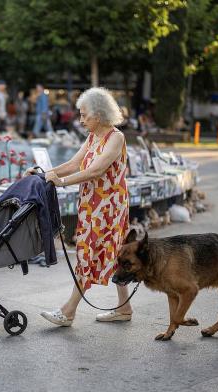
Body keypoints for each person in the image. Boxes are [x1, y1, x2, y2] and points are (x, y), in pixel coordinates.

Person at [35, 87, 132, 326]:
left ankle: (68, 311)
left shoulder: (116, 137)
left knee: (89, 253)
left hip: (109, 207)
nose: (80, 120)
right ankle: (125, 308)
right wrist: (44, 174)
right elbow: (73, 163)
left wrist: (62, 182)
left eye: (84, 115)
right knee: (113, 253)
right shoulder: (92, 137)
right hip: (92, 205)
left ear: (98, 116)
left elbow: (96, 170)